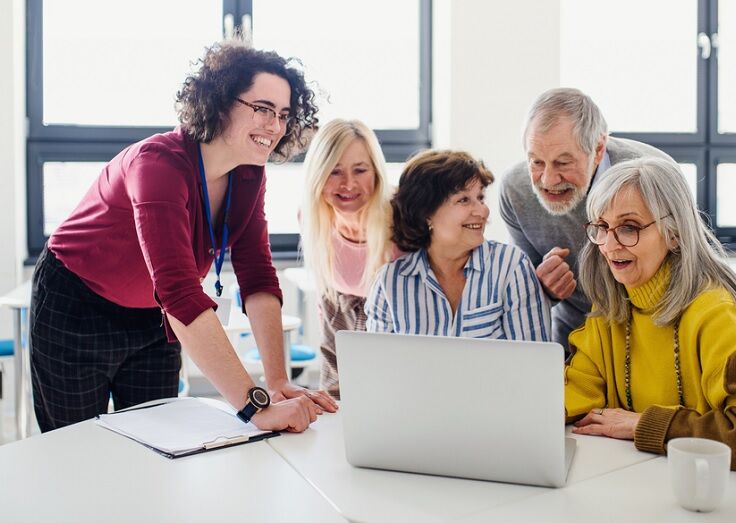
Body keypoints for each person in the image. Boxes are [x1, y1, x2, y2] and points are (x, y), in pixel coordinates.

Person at [30, 41, 337, 434]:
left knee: (154, 447)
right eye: (261, 109)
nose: (275, 126)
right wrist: (254, 408)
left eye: (283, 114)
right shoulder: (157, 164)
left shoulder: (248, 174)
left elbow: (258, 274)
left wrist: (276, 384)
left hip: (154, 319)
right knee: (72, 449)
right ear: (221, 100)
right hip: (76, 305)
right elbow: (178, 290)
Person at [564, 157, 736, 483]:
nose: (608, 245)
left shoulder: (716, 313)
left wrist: (643, 424)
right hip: (671, 484)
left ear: (674, 233)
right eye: (601, 227)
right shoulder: (612, 307)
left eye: (628, 227)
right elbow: (579, 394)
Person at [499, 87, 671, 348]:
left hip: (652, 329)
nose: (548, 180)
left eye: (563, 163)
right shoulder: (515, 191)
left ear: (598, 149)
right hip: (575, 333)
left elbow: (689, 269)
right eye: (536, 162)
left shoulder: (652, 177)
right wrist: (542, 287)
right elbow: (526, 295)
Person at [366, 150, 550, 341]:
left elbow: (532, 364)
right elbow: (376, 367)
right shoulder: (389, 283)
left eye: (480, 198)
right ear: (425, 212)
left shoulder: (511, 267)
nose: (483, 211)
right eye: (463, 200)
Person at [300, 119, 398, 399]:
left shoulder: (402, 216)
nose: (348, 184)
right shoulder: (312, 217)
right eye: (334, 172)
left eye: (360, 170)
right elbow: (325, 302)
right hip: (340, 331)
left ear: (376, 172)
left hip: (396, 336)